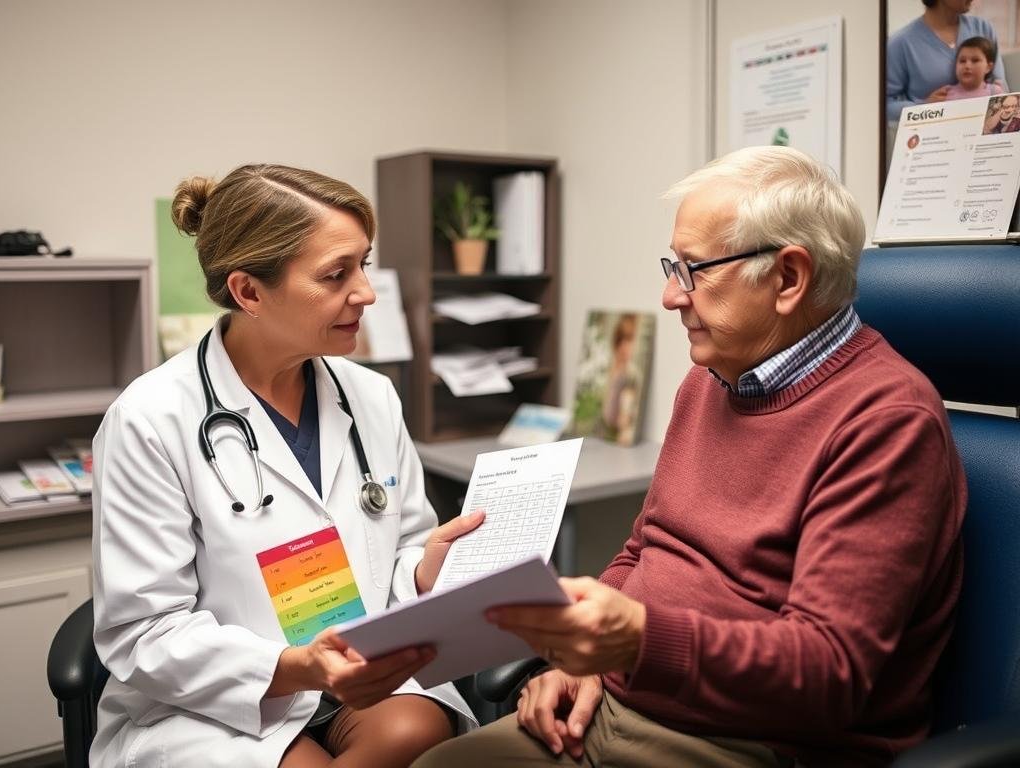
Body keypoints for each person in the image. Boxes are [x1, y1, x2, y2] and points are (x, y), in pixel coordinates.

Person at [413, 146, 966, 768]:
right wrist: (579, 661)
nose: (670, 297)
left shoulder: (886, 422)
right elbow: (645, 549)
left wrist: (637, 643)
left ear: (788, 278)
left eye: (693, 270)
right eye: (672, 267)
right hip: (623, 701)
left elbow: (828, 673)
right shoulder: (711, 380)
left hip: (756, 743)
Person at [90, 164, 482, 768]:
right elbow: (143, 633)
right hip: (214, 699)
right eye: (335, 275)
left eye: (363, 264)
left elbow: (398, 548)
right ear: (248, 292)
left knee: (414, 729)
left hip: (354, 667)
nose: (367, 293)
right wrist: (295, 666)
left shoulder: (370, 396)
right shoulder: (150, 419)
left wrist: (423, 571)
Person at [886, 0, 1006, 121]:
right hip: (931, 135)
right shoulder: (900, 43)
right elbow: (884, 104)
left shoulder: (983, 29)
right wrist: (922, 108)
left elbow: (1002, 92)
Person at [599, 313, 638, 444]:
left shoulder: (630, 373)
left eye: (629, 340)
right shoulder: (611, 366)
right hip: (605, 429)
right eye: (621, 340)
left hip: (618, 433)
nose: (624, 346)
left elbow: (627, 411)